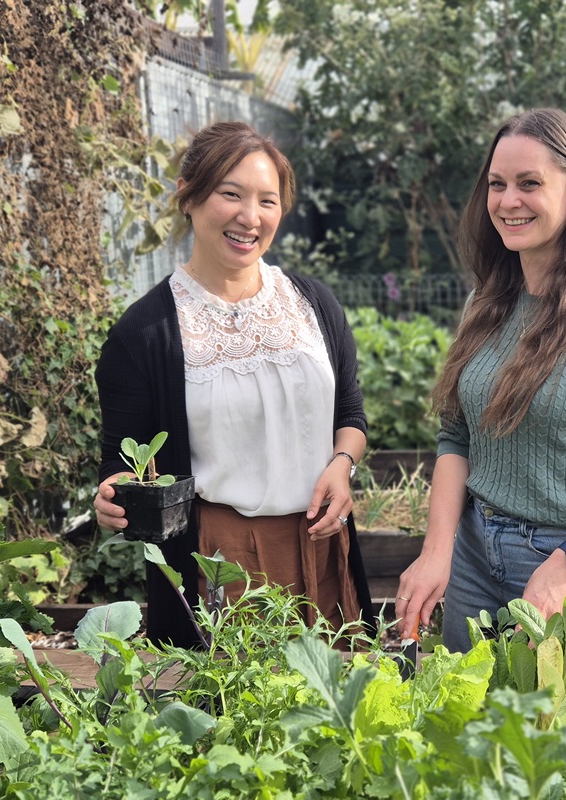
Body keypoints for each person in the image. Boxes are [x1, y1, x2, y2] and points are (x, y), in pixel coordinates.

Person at [395, 108, 566, 652]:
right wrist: (437, 551)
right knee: (467, 725)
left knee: (558, 732)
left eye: (530, 183)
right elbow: (457, 438)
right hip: (475, 555)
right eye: (497, 185)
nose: (507, 201)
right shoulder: (486, 301)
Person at [94, 121, 372, 648]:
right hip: (215, 560)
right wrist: (111, 500)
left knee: (336, 714)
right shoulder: (144, 335)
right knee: (232, 716)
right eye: (231, 194)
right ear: (189, 197)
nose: (250, 217)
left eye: (268, 201)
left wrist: (342, 464)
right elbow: (119, 463)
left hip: (320, 544)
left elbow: (350, 416)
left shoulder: (313, 306)